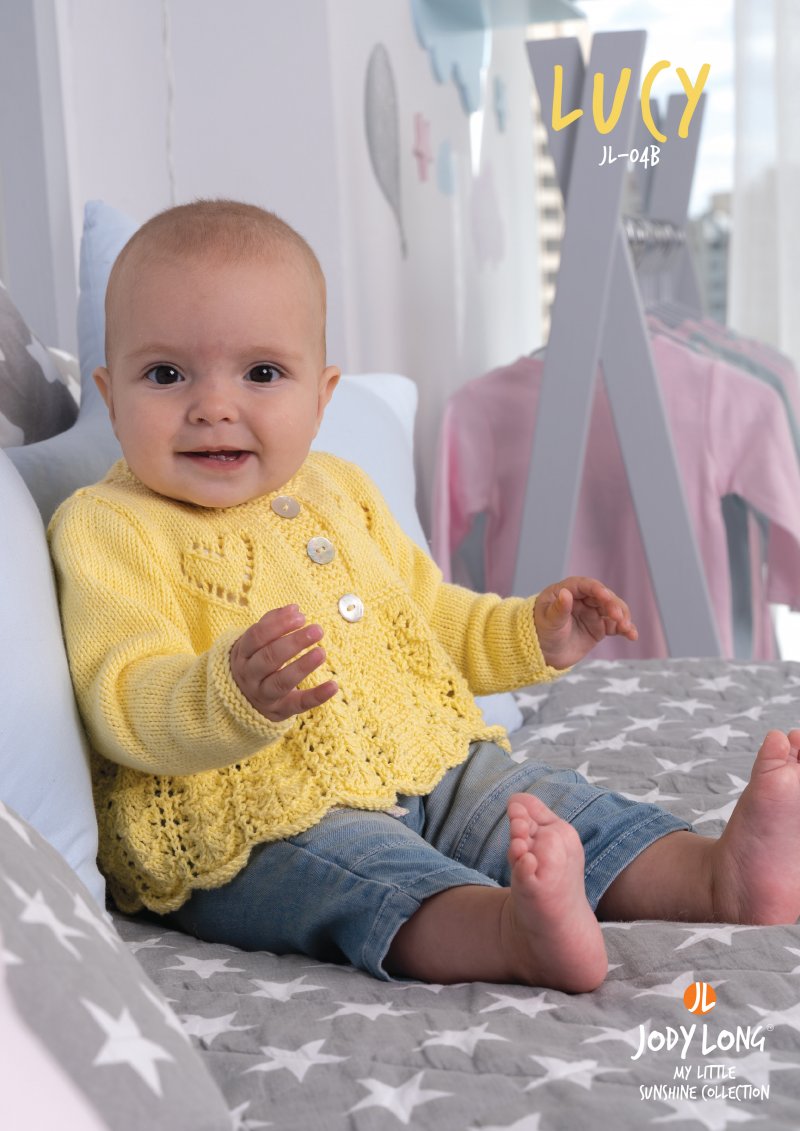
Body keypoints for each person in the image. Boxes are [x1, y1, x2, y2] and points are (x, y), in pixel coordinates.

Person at [49, 200, 800, 993]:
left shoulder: (340, 490)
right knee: (368, 873)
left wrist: (529, 633)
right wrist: (225, 692)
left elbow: (426, 619)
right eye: (165, 375)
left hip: (424, 764)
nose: (213, 406)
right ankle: (509, 932)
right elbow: (121, 692)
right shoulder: (108, 524)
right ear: (110, 392)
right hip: (249, 821)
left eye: (261, 373)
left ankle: (714, 875)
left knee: (539, 804)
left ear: (322, 395)